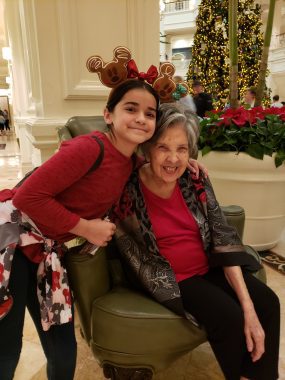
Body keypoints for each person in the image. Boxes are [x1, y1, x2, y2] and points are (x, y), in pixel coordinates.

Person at [0, 47, 205, 379]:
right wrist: (84, 227)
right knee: (7, 350)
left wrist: (184, 159)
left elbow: (154, 167)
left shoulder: (130, 162)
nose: (141, 118)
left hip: (46, 252)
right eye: (131, 108)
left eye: (150, 113)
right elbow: (27, 197)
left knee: (63, 350)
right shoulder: (89, 147)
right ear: (108, 114)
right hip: (9, 242)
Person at [114, 103, 280, 380]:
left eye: (181, 149)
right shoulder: (126, 187)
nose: (173, 159)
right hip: (170, 276)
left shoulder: (194, 178)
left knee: (267, 302)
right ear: (147, 148)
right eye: (163, 147)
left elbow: (221, 236)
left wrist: (249, 306)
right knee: (228, 317)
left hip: (207, 263)